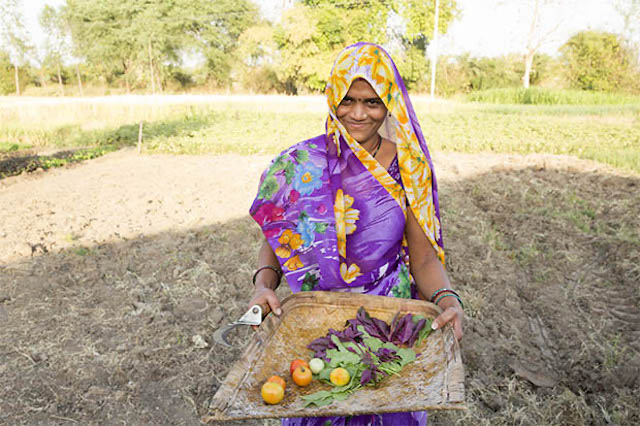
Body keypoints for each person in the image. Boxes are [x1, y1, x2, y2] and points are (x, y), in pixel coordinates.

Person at [248, 42, 463, 426]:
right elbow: (278, 239)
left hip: (386, 327)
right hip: (316, 324)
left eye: (372, 102)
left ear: (389, 104)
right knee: (316, 404)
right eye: (347, 100)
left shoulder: (409, 169)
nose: (359, 114)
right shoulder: (300, 164)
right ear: (332, 97)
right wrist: (263, 285)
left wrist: (447, 299)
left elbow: (424, 258)